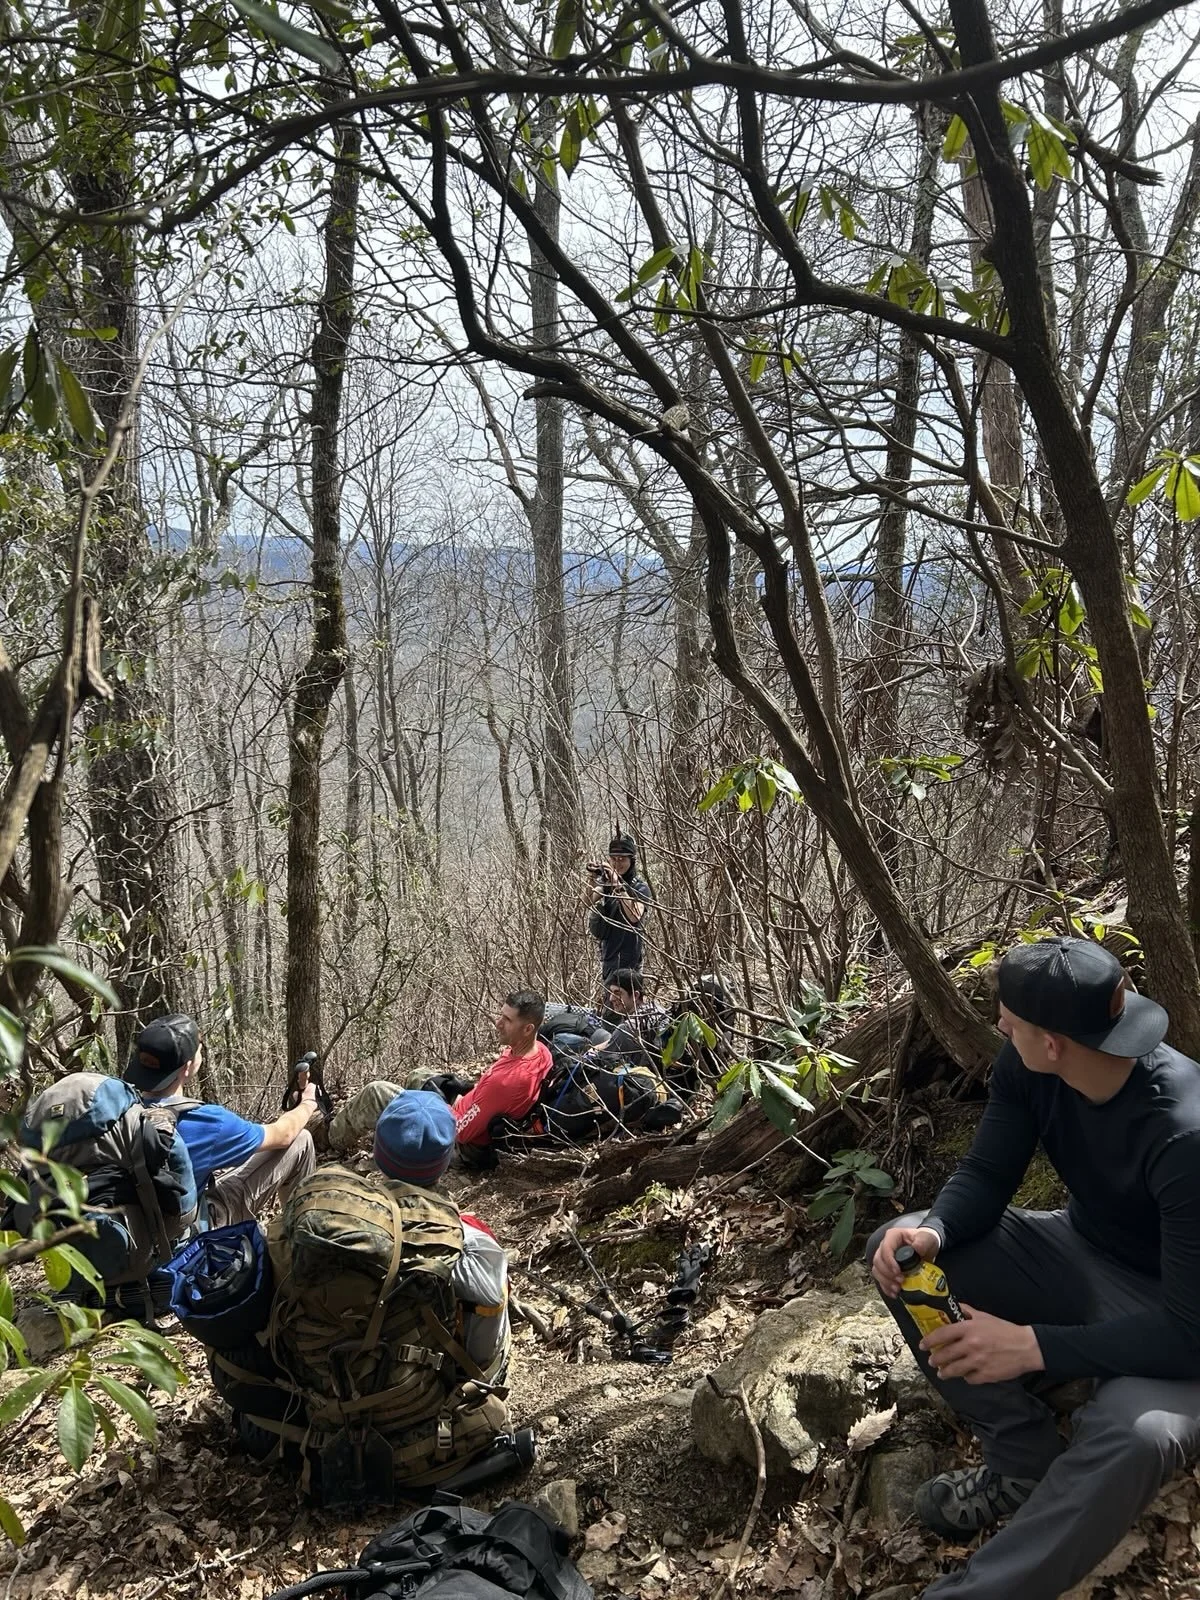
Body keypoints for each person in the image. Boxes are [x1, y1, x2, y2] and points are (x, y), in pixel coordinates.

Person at [866, 937, 1200, 1600]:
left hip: (1182, 1318)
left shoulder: (1183, 1133)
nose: (999, 1027)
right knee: (901, 1255)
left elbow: (1189, 1332)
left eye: (1009, 1022)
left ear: (1054, 1043)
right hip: (1081, 1251)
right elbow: (988, 1174)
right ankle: (1021, 1458)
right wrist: (933, 1231)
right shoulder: (1032, 1069)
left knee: (1137, 1437)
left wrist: (1029, 1347)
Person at [124, 1014, 320, 1228]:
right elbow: (285, 1134)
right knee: (301, 1140)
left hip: (136, 1242)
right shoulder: (206, 1122)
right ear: (187, 1067)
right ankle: (301, 1237)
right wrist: (308, 1101)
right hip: (190, 1236)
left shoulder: (119, 1112)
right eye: (199, 1048)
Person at [322, 990, 553, 1168]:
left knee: (376, 1092)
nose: (498, 1022)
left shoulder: (506, 1082)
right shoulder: (540, 1051)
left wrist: (436, 1105)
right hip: (471, 1111)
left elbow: (460, 1133)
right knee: (419, 1075)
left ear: (528, 1029)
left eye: (508, 1020)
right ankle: (397, 1124)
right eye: (501, 1015)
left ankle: (328, 1138)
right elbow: (492, 1100)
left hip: (460, 1145)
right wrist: (464, 1092)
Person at [587, 833, 653, 983]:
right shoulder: (607, 885)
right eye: (614, 859)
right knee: (610, 1004)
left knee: (627, 1005)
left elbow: (634, 916)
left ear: (632, 860)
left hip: (630, 963)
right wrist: (592, 877)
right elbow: (586, 901)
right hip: (609, 960)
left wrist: (618, 885)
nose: (617, 864)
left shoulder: (640, 888)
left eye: (622, 859)